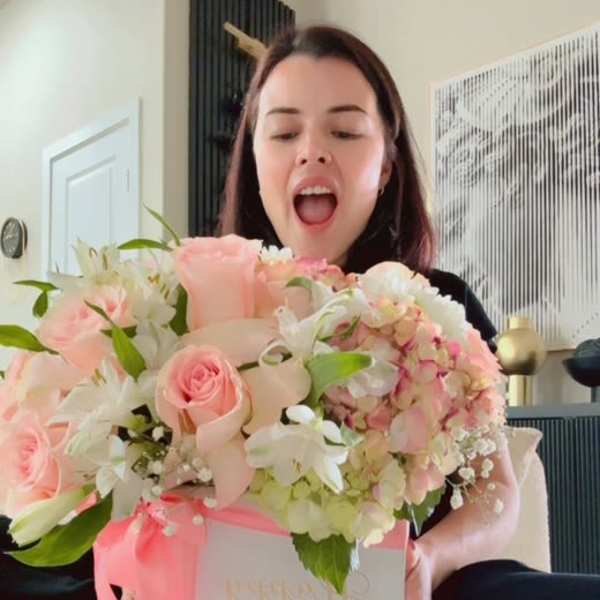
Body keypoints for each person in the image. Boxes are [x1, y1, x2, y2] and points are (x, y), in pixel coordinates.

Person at [217, 24, 600, 600]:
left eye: (345, 131)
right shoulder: (207, 308)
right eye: (285, 132)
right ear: (253, 160)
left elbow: (494, 492)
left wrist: (431, 558)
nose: (312, 150)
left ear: (386, 167)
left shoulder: (441, 304)